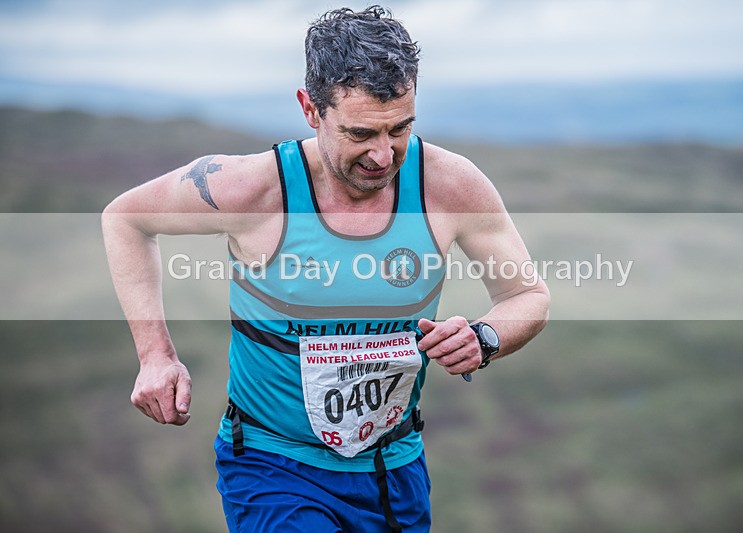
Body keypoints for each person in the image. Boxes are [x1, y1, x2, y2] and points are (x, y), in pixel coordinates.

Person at [102, 5, 550, 532]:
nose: (383, 156)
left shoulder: (450, 185)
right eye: (361, 133)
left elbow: (528, 296)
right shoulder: (252, 187)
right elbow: (126, 218)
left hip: (394, 467)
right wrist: (156, 356)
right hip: (273, 467)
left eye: (400, 129)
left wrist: (485, 337)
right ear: (311, 110)